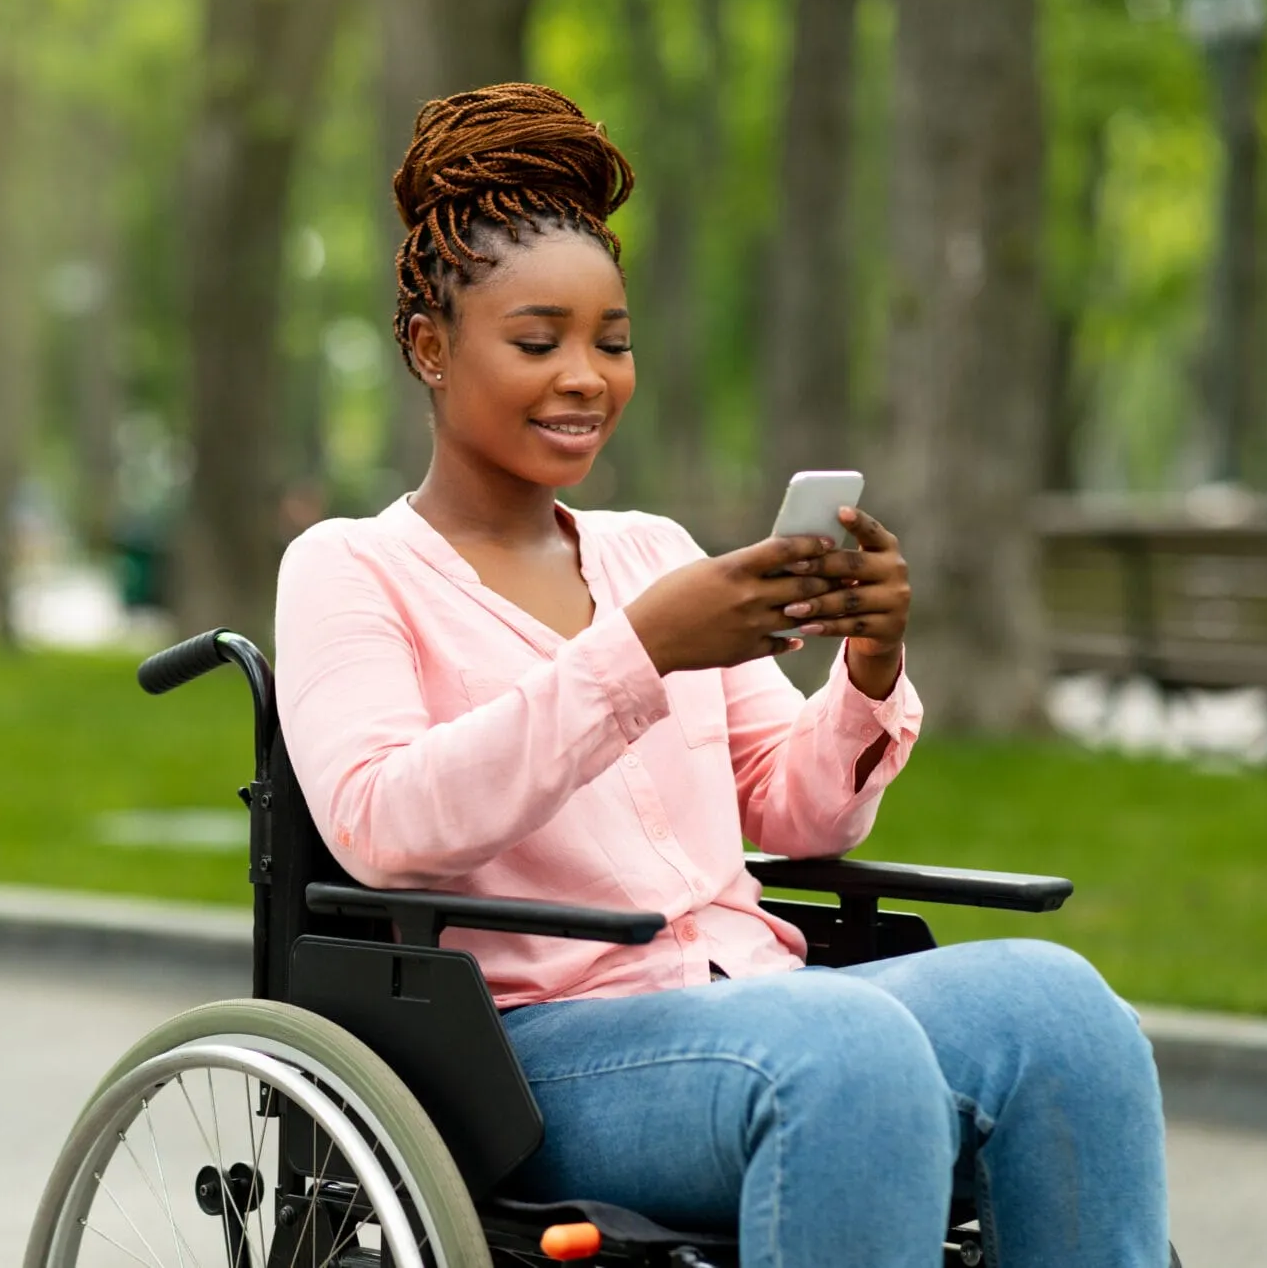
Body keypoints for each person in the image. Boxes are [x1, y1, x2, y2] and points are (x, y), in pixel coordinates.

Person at [273, 83, 1168, 1268]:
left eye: (612, 339)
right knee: (844, 1055)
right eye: (537, 342)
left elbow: (795, 812)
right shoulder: (352, 568)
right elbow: (381, 824)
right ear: (432, 348)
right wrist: (637, 653)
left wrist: (866, 664)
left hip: (756, 992)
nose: (585, 375)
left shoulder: (653, 552)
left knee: (1062, 1013)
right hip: (537, 1053)